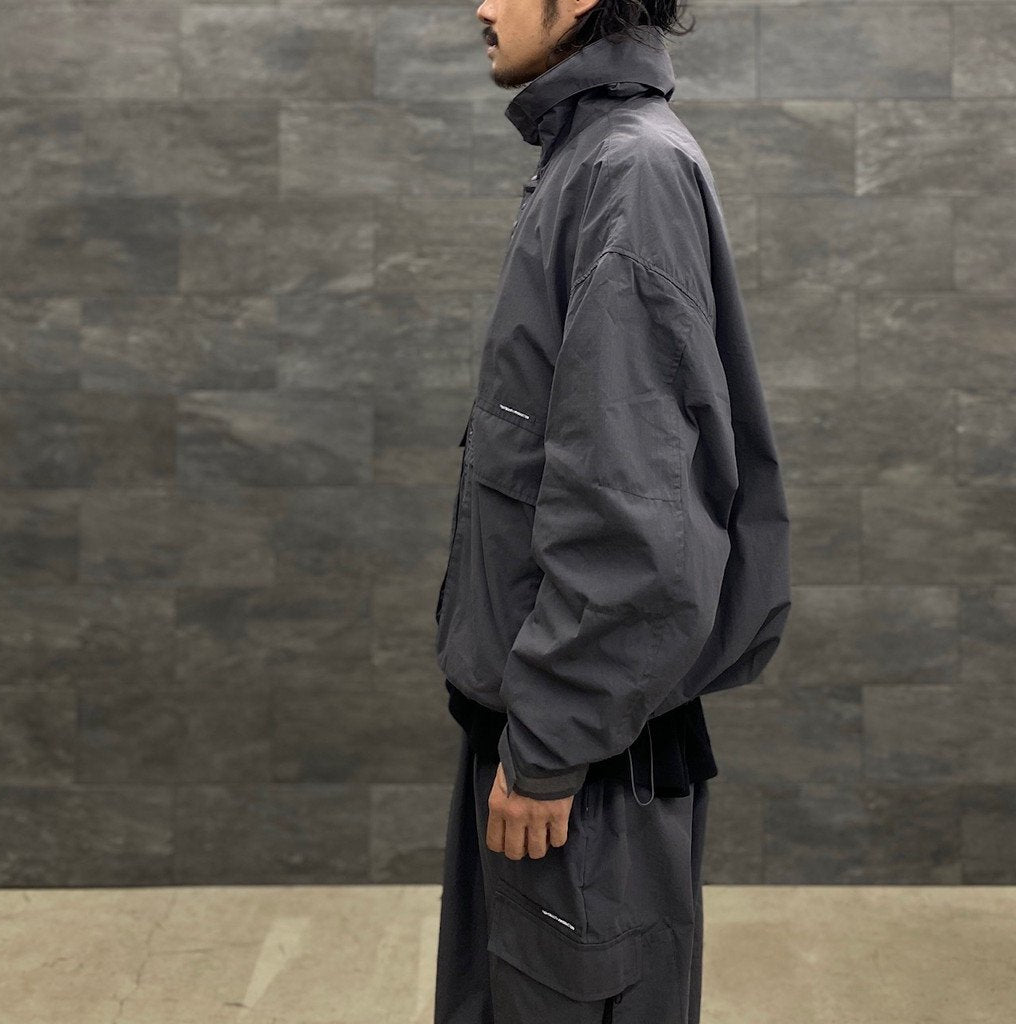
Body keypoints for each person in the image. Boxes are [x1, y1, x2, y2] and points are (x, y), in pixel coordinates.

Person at [433, 1, 792, 1021]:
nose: (481, 6)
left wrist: (550, 745)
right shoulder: (587, 158)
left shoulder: (628, 171)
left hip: (581, 758)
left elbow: (633, 507)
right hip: (557, 732)